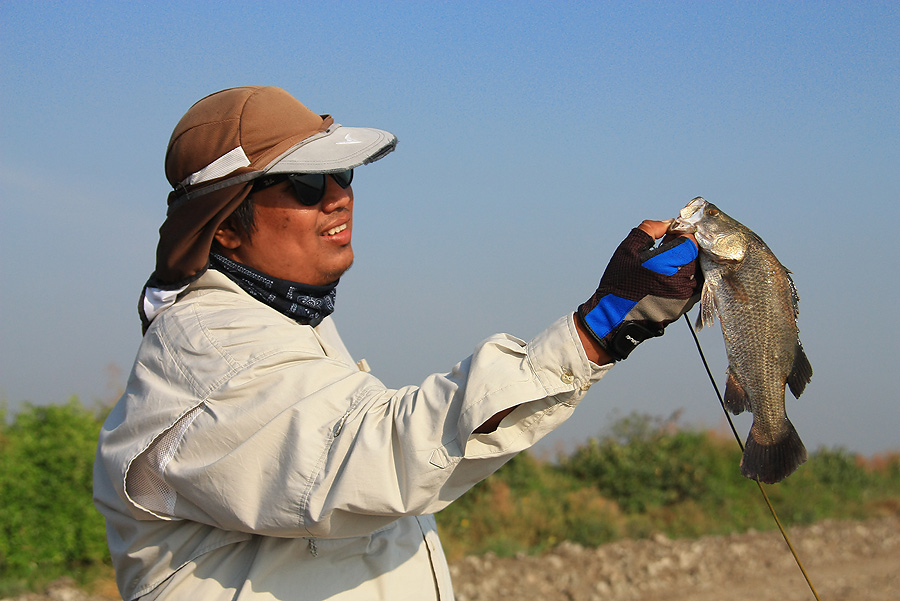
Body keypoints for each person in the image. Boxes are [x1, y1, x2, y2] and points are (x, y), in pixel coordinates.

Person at [93, 85, 701, 601]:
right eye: (305, 183)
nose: (338, 195)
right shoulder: (210, 348)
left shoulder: (285, 323)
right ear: (223, 224)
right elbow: (379, 456)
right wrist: (596, 330)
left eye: (342, 172)